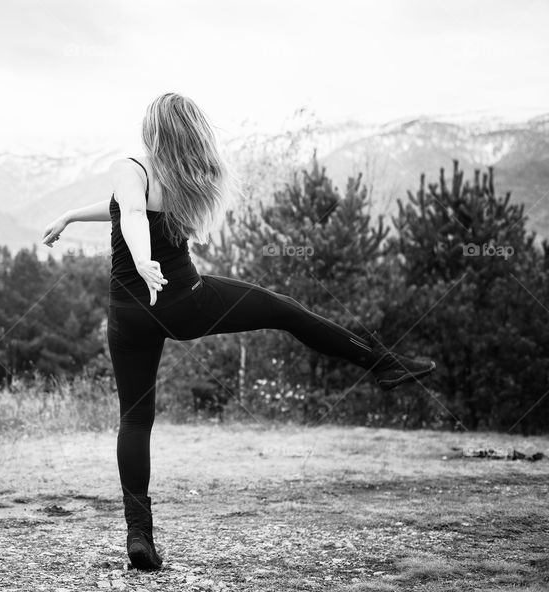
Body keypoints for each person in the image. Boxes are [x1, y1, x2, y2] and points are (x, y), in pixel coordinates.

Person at [41, 92, 436, 571]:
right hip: (184, 304)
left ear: (154, 129)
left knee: (135, 420)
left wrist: (135, 258)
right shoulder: (179, 177)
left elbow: (131, 210)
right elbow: (130, 213)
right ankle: (382, 363)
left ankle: (139, 534)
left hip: (130, 315)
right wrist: (105, 235)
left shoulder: (132, 167)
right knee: (284, 310)